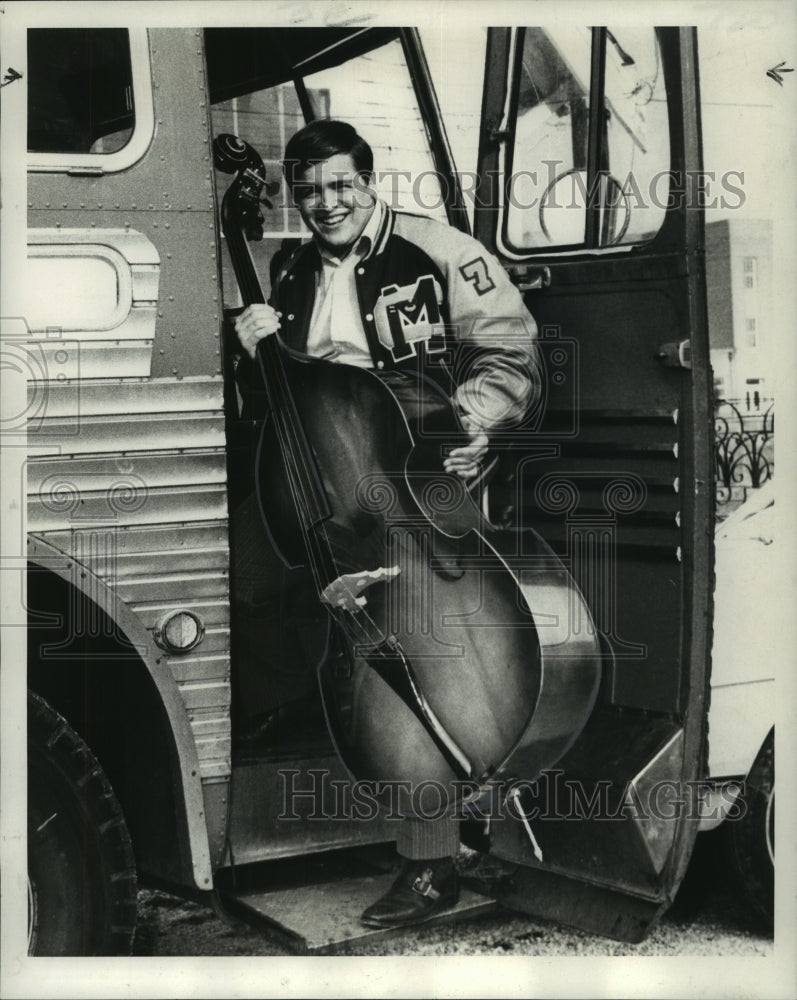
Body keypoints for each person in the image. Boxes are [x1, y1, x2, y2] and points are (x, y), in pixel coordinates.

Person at [233, 119, 540, 929]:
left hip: (419, 475)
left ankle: (431, 862)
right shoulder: (289, 268)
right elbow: (286, 401)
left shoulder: (439, 249)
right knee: (266, 586)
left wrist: (467, 426)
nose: (324, 202)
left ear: (368, 182)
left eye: (339, 185)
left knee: (424, 647)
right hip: (336, 487)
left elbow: (508, 354)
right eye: (306, 191)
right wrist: (253, 349)